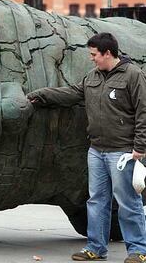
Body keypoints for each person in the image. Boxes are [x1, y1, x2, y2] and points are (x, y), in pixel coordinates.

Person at [27, 32, 146, 263]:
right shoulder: (92, 77)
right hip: (96, 151)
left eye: (94, 55)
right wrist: (41, 96)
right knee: (96, 201)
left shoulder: (133, 75)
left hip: (122, 152)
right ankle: (95, 248)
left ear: (107, 53)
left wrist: (139, 147)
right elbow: (72, 94)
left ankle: (138, 251)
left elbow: (144, 111)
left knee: (127, 202)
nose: (91, 59)